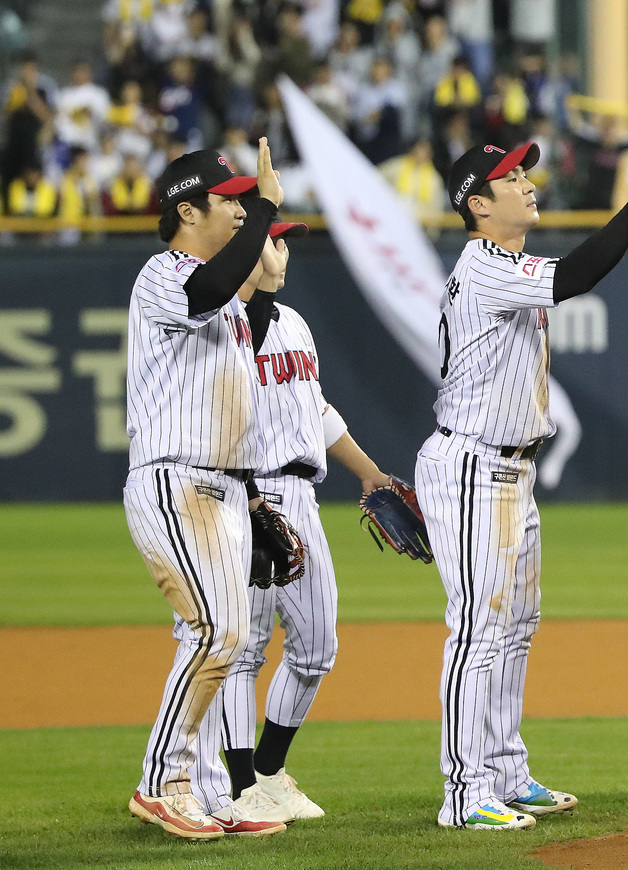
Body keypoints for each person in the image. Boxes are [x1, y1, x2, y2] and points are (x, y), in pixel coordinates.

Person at [418, 141, 628, 830]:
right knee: (477, 632)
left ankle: (507, 773)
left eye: (525, 170)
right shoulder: (485, 266)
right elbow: (576, 274)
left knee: (514, 628)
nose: (527, 181)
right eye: (509, 176)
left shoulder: (507, 264)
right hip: (473, 466)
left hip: (511, 468)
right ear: (477, 204)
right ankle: (465, 793)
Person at [186, 219, 401, 828]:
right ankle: (238, 785)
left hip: (301, 494)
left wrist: (370, 473)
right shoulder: (221, 323)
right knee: (244, 648)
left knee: (317, 645)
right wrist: (247, 498)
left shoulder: (295, 324)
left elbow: (317, 408)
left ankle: (268, 771)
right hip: (246, 491)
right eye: (272, 240)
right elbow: (218, 416)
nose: (282, 251)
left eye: (281, 241)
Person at [123, 141, 292, 839]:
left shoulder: (227, 302)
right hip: (175, 478)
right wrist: (270, 209)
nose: (242, 207)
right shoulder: (164, 274)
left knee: (228, 640)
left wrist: (252, 500)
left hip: (220, 486)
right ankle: (160, 782)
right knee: (215, 633)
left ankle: (208, 791)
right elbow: (206, 289)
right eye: (230, 199)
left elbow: (235, 405)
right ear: (187, 210)